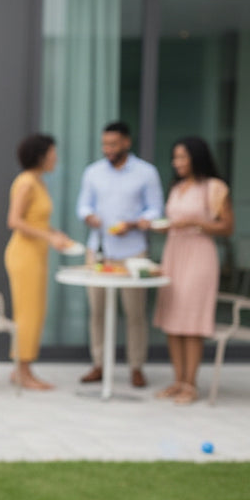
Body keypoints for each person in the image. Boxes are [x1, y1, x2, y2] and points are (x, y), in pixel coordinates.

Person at [76, 121, 164, 388]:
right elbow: (83, 205)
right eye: (105, 144)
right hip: (100, 250)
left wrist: (135, 223)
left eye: (113, 144)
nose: (108, 149)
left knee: (134, 312)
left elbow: (155, 209)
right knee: (98, 311)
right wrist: (88, 216)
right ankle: (99, 363)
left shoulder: (146, 173)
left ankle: (136, 366)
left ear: (127, 142)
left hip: (133, 251)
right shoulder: (93, 172)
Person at [152, 136, 234, 405]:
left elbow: (227, 227)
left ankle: (191, 384)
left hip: (199, 256)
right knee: (172, 321)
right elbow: (173, 221)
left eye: (182, 157)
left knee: (191, 322)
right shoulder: (176, 188)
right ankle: (178, 381)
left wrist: (196, 222)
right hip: (174, 253)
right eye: (175, 157)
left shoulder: (214, 187)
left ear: (196, 158)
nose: (177, 163)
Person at [4, 134, 74, 390]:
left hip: (37, 254)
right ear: (41, 155)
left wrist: (55, 234)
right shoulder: (26, 183)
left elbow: (36, 220)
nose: (56, 157)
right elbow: (14, 221)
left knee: (34, 311)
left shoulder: (39, 182)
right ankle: (23, 372)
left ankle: (22, 369)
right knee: (28, 313)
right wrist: (48, 237)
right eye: (53, 153)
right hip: (24, 255)